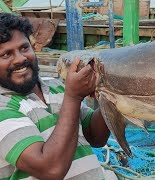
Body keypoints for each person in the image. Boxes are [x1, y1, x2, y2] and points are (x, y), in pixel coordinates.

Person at [0, 13, 117, 179]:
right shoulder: (3, 108)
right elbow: (51, 170)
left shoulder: (55, 86)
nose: (20, 59)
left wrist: (110, 93)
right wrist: (73, 96)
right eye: (6, 55)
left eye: (24, 48)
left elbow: (95, 136)